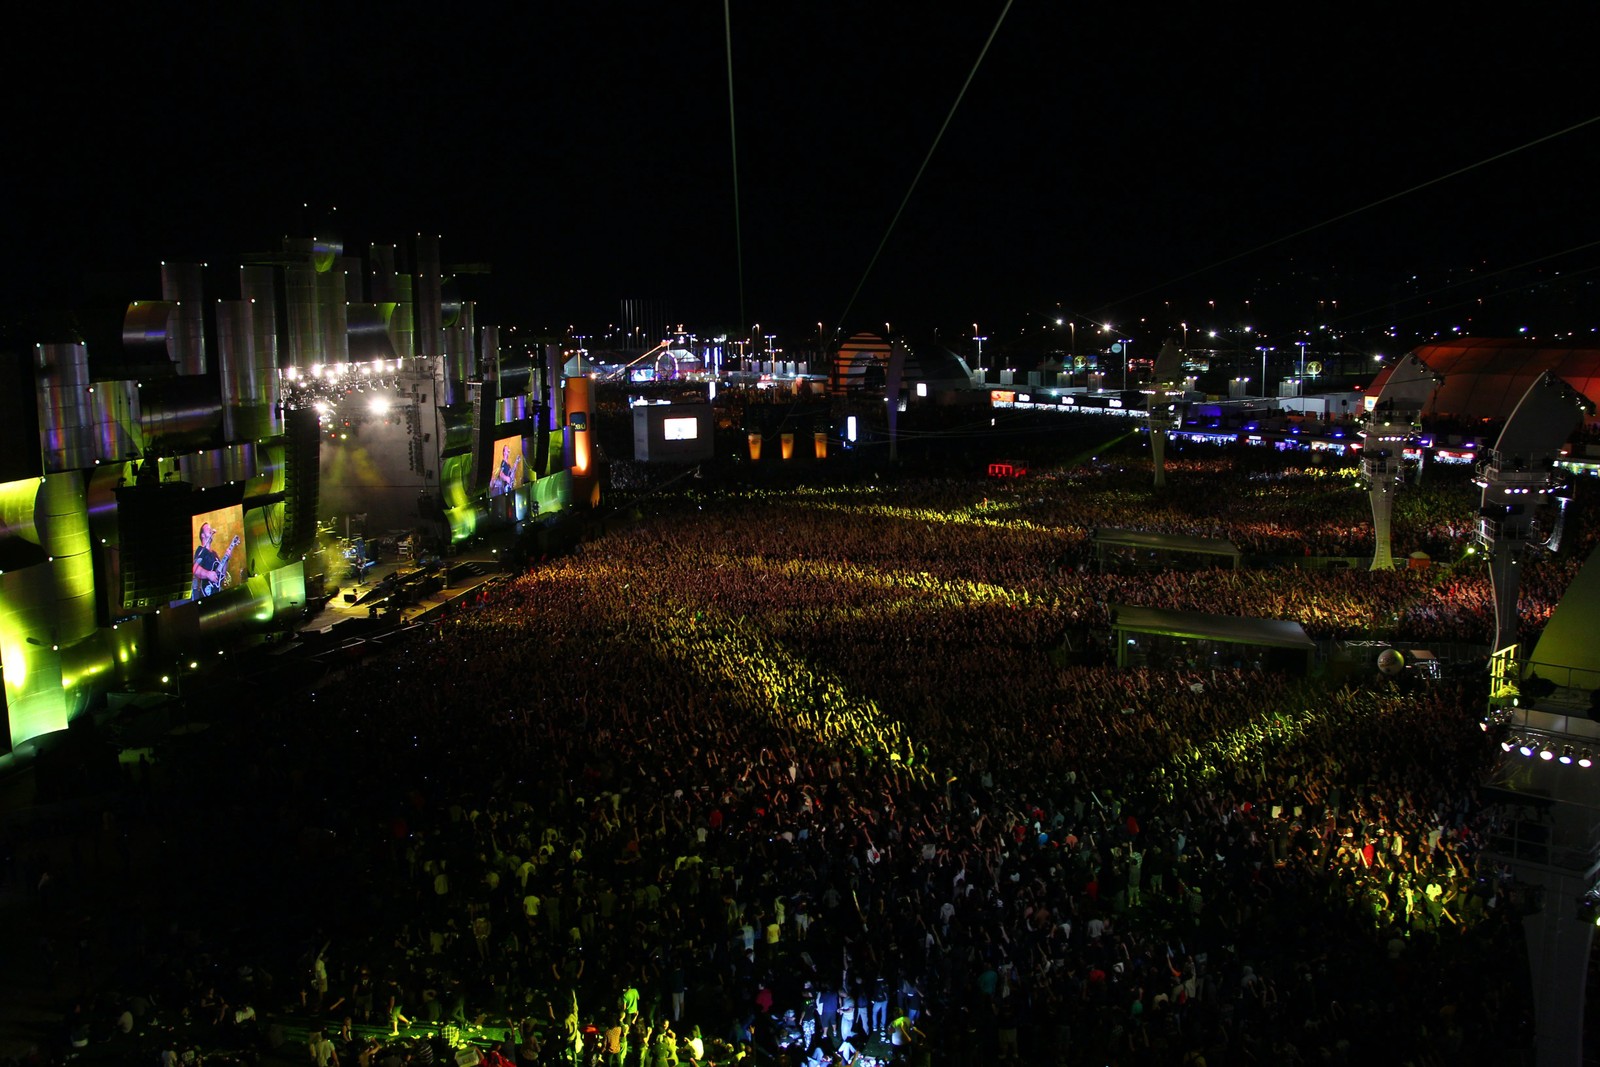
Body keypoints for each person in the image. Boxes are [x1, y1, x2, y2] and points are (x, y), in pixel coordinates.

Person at [192, 522, 238, 598]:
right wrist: (207, 574)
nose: (211, 529)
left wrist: (226, 560)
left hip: (217, 590)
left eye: (211, 528)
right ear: (202, 535)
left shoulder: (214, 554)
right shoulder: (200, 550)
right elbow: (195, 569)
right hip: (205, 591)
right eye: (208, 528)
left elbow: (221, 576)